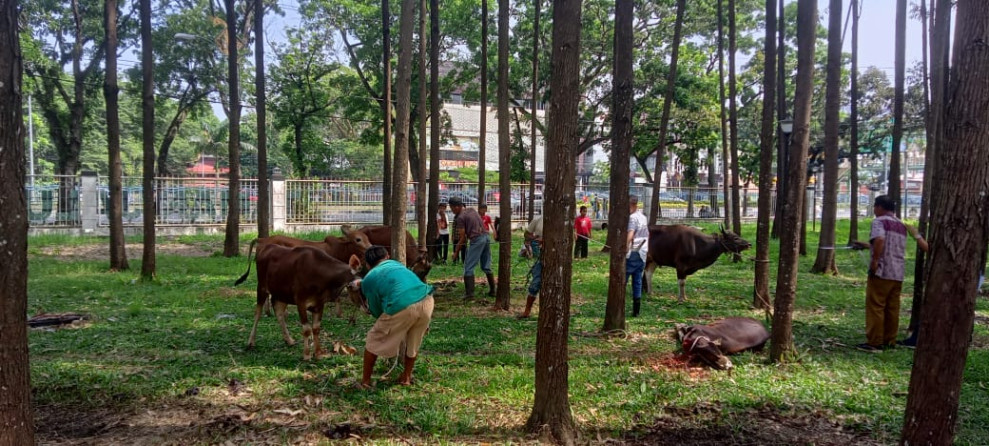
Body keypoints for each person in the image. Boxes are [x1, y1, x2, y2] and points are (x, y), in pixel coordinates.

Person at [354, 246, 435, 388]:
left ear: (367, 264)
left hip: (403, 305)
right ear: (387, 256)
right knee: (413, 342)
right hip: (427, 299)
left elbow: (375, 309)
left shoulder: (369, 278)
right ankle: (406, 378)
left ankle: (365, 382)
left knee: (373, 340)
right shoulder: (397, 264)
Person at [857, 195, 929, 353]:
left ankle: (875, 343)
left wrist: (875, 261)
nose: (875, 210)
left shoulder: (879, 221)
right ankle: (890, 340)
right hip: (897, 272)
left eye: (875, 207)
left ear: (880, 207)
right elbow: (889, 244)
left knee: (876, 305)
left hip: (882, 271)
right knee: (892, 307)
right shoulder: (901, 225)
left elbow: (881, 240)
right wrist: (866, 245)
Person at [449, 197, 496, 300]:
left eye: (451, 208)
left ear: (457, 207)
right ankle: (493, 290)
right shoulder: (471, 210)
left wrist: (456, 252)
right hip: (486, 237)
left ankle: (469, 294)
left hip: (477, 240)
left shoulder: (460, 218)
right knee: (486, 266)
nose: (451, 210)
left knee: (468, 267)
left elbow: (462, 238)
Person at [626, 195, 649, 317]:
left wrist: (624, 249)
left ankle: (619, 307)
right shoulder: (643, 217)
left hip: (633, 252)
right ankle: (636, 311)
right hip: (643, 253)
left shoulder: (633, 218)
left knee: (622, 280)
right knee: (637, 281)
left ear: (632, 205)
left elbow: (630, 234)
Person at [518, 215, 544, 319]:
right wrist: (535, 239)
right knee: (536, 282)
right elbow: (527, 234)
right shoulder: (538, 219)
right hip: (540, 256)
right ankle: (527, 311)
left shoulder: (562, 220)